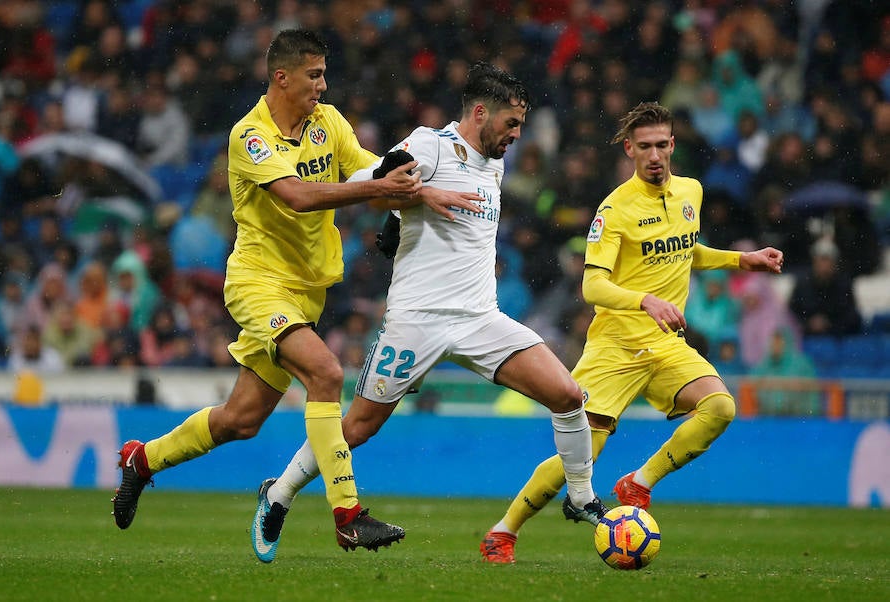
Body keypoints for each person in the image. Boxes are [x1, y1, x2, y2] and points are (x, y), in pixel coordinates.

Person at [112, 29, 482, 553]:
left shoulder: (327, 123)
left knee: (240, 420)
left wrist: (421, 189)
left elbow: (370, 168)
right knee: (327, 373)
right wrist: (381, 189)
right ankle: (348, 515)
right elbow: (298, 196)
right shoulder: (250, 136)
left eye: (324, 74)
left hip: (307, 291)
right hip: (258, 284)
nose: (323, 85)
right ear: (282, 77)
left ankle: (141, 459)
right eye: (314, 75)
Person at [250, 62, 605, 564]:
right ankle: (278, 495)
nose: (517, 136)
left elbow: (399, 218)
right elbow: (364, 184)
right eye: (511, 124)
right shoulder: (427, 145)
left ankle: (581, 495)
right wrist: (415, 194)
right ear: (480, 113)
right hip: (416, 320)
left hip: (482, 318)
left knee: (568, 394)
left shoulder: (496, 162)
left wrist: (400, 219)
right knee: (356, 428)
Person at [480, 102, 785, 563]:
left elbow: (686, 250)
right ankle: (503, 532)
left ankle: (637, 483)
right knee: (580, 458)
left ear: (673, 145)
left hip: (665, 346)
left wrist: (742, 259)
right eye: (645, 147)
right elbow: (592, 283)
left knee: (720, 407)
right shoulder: (614, 208)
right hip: (616, 348)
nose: (656, 155)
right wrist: (645, 299)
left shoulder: (692, 192)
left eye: (662, 144)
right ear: (630, 150)